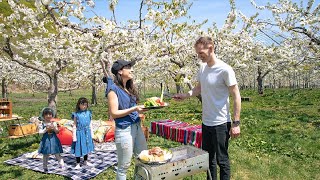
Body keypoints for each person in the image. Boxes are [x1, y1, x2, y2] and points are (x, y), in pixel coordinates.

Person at [173, 36, 241, 180]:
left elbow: (236, 95)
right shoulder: (203, 68)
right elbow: (199, 88)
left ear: (211, 49)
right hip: (206, 122)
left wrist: (236, 123)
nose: (199, 56)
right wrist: (186, 95)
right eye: (197, 54)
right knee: (208, 159)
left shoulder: (225, 69)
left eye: (201, 53)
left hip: (221, 123)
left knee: (221, 160)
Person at [105, 59, 147, 180]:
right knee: (124, 166)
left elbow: (132, 109)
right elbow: (114, 113)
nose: (132, 70)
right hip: (124, 130)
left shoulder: (129, 88)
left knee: (143, 159)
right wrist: (134, 109)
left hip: (137, 127)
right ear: (120, 71)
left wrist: (141, 110)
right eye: (128, 67)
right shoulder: (113, 90)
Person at [38, 107, 65, 172]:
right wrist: (45, 129)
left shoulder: (54, 123)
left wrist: (54, 128)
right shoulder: (42, 124)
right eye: (46, 114)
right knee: (45, 154)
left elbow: (57, 132)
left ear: (52, 115)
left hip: (53, 139)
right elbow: (40, 132)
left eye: (50, 114)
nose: (48, 116)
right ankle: (45, 167)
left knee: (57, 152)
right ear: (43, 116)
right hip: (46, 140)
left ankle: (62, 165)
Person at [71, 97, 95, 169]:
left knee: (86, 146)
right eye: (82, 104)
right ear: (79, 105)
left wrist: (92, 133)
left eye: (85, 104)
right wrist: (74, 136)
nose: (84, 106)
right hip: (79, 133)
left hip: (87, 132)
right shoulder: (76, 114)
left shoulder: (88, 113)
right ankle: (77, 163)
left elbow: (90, 123)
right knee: (78, 147)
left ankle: (85, 160)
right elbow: (74, 125)